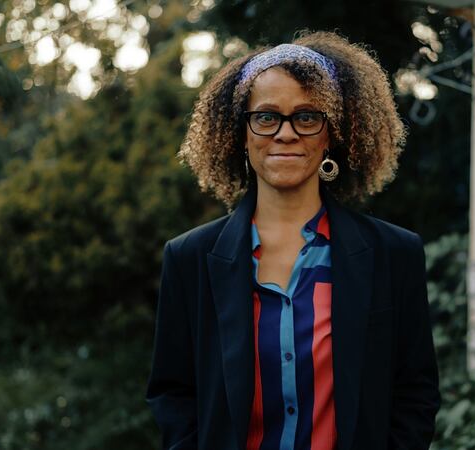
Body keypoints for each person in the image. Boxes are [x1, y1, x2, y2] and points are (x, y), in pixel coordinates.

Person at [146, 31, 440, 450]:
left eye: (306, 117)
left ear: (331, 133)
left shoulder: (394, 254)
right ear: (241, 133)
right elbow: (173, 395)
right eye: (266, 117)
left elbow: (415, 393)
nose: (285, 134)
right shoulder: (188, 258)